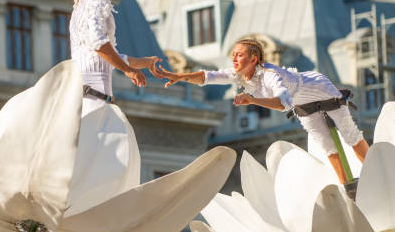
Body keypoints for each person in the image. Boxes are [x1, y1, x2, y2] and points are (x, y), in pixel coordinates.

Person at [155, 38, 369, 184]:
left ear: (254, 59)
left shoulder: (269, 75)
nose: (234, 59)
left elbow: (283, 103)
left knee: (349, 133)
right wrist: (180, 77)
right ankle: (346, 184)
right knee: (325, 143)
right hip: (303, 105)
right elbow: (209, 76)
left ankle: (372, 171)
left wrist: (252, 100)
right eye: (233, 55)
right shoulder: (240, 75)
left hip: (320, 89)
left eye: (239, 55)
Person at [65, 0, 162, 215]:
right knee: (118, 158)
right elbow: (99, 44)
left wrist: (141, 62)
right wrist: (129, 71)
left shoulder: (80, 6)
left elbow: (108, 52)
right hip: (94, 99)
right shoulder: (97, 0)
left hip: (86, 96)